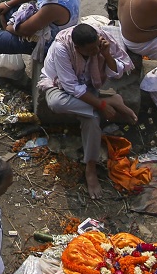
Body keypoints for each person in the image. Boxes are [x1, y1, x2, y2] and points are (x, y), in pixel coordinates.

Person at [37, 21, 138, 199]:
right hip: (59, 86)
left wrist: (106, 55)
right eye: (89, 52)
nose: (94, 53)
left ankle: (90, 167)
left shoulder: (101, 41)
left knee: (92, 121)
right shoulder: (62, 47)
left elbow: (116, 73)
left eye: (95, 49)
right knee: (56, 104)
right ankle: (111, 100)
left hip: (88, 85)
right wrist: (102, 105)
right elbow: (71, 87)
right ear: (77, 48)